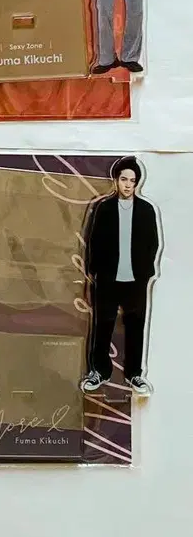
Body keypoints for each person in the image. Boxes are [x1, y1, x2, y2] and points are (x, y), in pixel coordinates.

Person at [81, 157, 160, 396]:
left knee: (135, 327)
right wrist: (95, 271)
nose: (127, 185)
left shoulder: (146, 210)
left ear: (137, 183)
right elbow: (94, 241)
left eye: (132, 180)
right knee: (102, 326)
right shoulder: (104, 208)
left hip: (135, 281)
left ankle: (134, 374)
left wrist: (145, 272)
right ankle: (99, 371)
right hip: (108, 279)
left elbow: (153, 243)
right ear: (116, 180)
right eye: (124, 179)